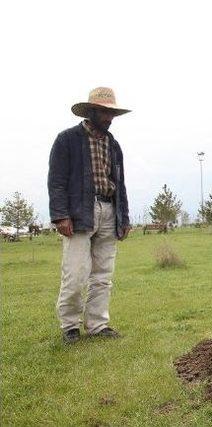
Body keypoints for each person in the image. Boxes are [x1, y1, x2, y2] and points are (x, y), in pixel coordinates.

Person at [48, 87, 132, 344]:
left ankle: (97, 324)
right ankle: (70, 326)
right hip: (78, 213)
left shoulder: (113, 144)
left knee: (103, 274)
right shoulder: (67, 140)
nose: (109, 118)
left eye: (112, 113)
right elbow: (57, 181)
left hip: (109, 211)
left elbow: (120, 183)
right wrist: (60, 215)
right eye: (105, 112)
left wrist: (124, 217)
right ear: (91, 111)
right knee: (75, 272)